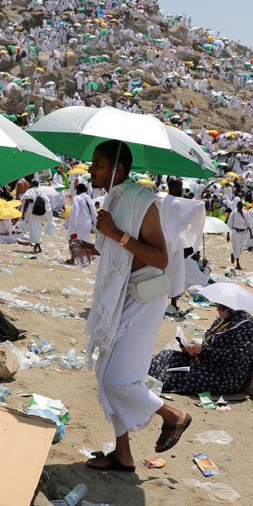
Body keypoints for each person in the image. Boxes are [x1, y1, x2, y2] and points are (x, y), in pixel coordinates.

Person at [77, 139, 190, 472]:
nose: (91, 169)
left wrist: (114, 234)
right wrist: (89, 246)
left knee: (118, 380)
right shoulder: (113, 197)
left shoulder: (142, 201)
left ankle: (173, 415)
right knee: (104, 371)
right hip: (122, 292)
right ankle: (123, 453)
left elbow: (159, 257)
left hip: (144, 297)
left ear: (119, 169)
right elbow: (119, 251)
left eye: (98, 164)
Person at [148, 302, 253, 394]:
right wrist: (192, 349)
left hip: (224, 374)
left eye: (221, 308)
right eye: (217, 306)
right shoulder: (223, 319)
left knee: (174, 377)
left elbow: (236, 355)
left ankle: (145, 381)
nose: (217, 310)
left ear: (231, 309)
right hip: (203, 360)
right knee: (166, 356)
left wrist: (204, 350)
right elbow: (209, 340)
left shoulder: (246, 326)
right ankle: (143, 371)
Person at [162, 178, 207, 316]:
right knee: (175, 275)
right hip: (174, 246)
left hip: (162, 242)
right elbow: (185, 220)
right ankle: (173, 305)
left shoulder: (163, 201)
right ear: (176, 188)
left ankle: (161, 303)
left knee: (162, 274)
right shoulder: (176, 203)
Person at [66, 183, 97, 256]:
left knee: (73, 241)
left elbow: (74, 211)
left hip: (78, 224)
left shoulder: (77, 198)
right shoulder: (89, 198)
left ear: (78, 190)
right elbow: (93, 212)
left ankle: (73, 257)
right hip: (87, 224)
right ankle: (85, 256)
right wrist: (95, 223)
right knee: (85, 241)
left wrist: (74, 224)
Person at [21, 180, 50, 253]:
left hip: (32, 212)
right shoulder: (42, 191)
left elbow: (26, 202)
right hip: (40, 211)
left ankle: (37, 245)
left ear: (32, 184)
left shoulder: (30, 191)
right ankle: (37, 246)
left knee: (34, 228)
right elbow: (46, 201)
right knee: (38, 228)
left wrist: (23, 213)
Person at [225, 198, 252, 270]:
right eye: (239, 206)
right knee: (236, 247)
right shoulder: (233, 214)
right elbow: (229, 225)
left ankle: (234, 254)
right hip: (235, 232)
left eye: (241, 206)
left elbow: (249, 223)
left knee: (241, 249)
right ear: (237, 206)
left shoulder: (246, 213)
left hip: (244, 233)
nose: (240, 208)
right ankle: (238, 263)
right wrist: (228, 235)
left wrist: (251, 233)